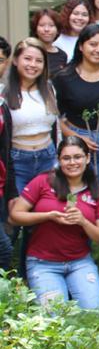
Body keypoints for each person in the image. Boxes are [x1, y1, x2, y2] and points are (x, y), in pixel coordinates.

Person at [10, 136, 99, 310]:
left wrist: (83, 222)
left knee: (95, 311)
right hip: (43, 262)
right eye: (66, 158)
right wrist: (48, 216)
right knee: (55, 316)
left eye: (77, 157)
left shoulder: (95, 190)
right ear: (58, 160)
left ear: (87, 158)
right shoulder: (43, 181)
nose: (72, 163)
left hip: (79, 262)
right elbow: (15, 216)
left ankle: (73, 287)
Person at [54, 24, 99, 208]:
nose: (98, 50)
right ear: (81, 46)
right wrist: (74, 136)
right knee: (80, 198)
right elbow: (54, 117)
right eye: (93, 44)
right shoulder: (64, 77)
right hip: (75, 142)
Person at [6, 38, 58, 194]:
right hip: (18, 160)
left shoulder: (49, 89)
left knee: (47, 208)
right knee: (18, 212)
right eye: (27, 59)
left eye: (39, 61)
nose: (33, 65)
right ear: (15, 60)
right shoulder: (5, 94)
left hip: (48, 157)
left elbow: (56, 129)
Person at [0, 89, 17, 272]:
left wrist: (11, 192)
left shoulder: (2, 104)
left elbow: (6, 151)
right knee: (4, 249)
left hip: (1, 186)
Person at [31, 9, 68, 77]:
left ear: (57, 30)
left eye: (51, 25)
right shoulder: (29, 51)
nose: (46, 29)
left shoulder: (62, 55)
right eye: (42, 25)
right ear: (35, 29)